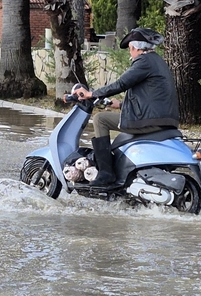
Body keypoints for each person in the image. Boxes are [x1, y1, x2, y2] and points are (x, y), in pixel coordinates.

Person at [70, 27, 180, 188]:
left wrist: (91, 94)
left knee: (100, 119)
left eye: (130, 48)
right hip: (164, 119)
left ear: (135, 48)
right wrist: (121, 105)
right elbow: (151, 98)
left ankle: (106, 173)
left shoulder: (144, 61)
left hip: (151, 120)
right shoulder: (157, 61)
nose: (130, 52)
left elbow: (121, 84)